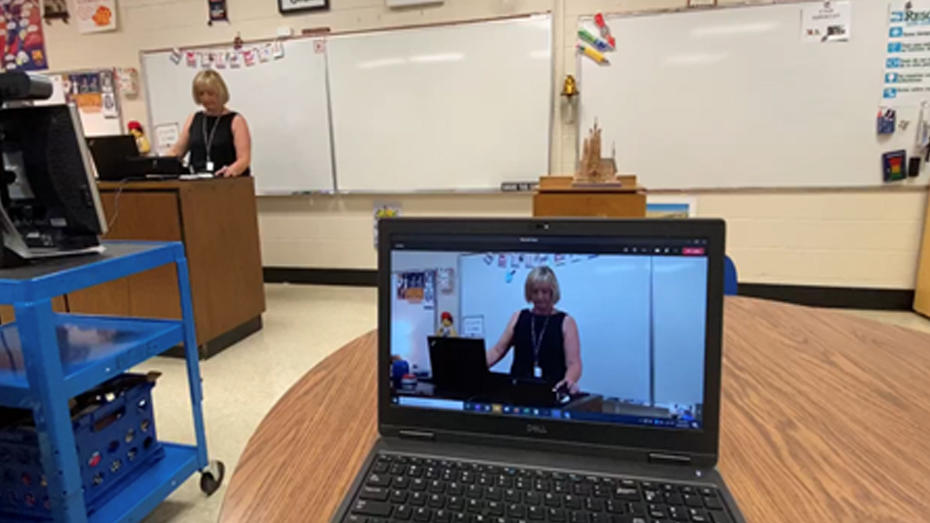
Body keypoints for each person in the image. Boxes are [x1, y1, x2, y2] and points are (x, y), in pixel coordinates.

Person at [486, 266, 582, 394]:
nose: (539, 297)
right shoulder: (518, 317)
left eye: (544, 292)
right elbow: (498, 351)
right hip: (518, 391)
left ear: (553, 292)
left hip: (553, 391)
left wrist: (568, 381)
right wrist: (474, 367)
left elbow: (574, 363)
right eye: (535, 292)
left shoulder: (566, 322)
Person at [170, 70, 252, 177]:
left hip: (227, 183)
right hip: (196, 183)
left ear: (220, 92)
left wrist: (231, 170)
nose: (205, 98)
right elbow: (177, 152)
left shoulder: (236, 120)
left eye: (210, 93)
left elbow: (244, 159)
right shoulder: (194, 118)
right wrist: (156, 164)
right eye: (201, 94)